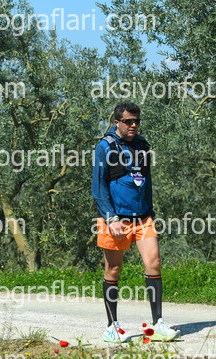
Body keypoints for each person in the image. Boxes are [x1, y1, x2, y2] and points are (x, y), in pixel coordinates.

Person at [92, 101, 180, 343]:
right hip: (115, 219)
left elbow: (146, 180)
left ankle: (158, 324)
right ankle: (112, 326)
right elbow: (98, 188)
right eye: (128, 121)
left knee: (154, 263)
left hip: (142, 218)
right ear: (117, 122)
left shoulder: (142, 145)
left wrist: (149, 211)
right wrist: (111, 218)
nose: (133, 125)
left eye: (137, 121)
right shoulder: (105, 147)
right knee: (113, 269)